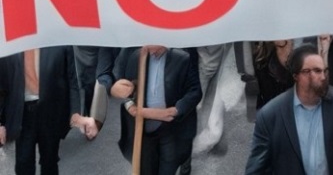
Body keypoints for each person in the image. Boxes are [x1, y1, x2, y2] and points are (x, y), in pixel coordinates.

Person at [244, 43, 333, 174]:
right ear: (296, 76)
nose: (322, 77)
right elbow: (255, 169)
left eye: (323, 71)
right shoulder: (270, 116)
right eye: (313, 71)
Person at [0, 46, 98, 174]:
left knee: (50, 162)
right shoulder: (10, 44)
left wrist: (76, 114)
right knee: (23, 163)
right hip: (23, 114)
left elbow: (72, 80)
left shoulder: (58, 42)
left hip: (51, 112)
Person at [109, 45, 201, 175]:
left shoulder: (184, 53)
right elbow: (119, 84)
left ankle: (185, 164)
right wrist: (129, 103)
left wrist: (175, 110)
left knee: (169, 167)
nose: (152, 49)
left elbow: (195, 91)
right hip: (144, 130)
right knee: (146, 169)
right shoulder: (131, 52)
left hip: (172, 129)